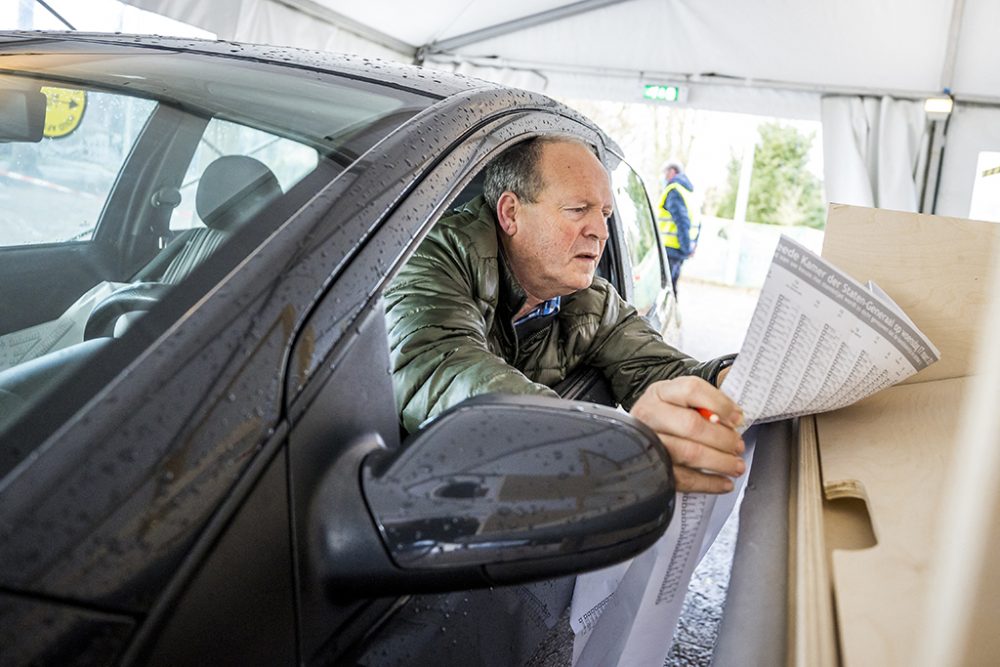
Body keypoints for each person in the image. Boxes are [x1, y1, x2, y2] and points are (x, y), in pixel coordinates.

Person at [385, 136, 743, 494]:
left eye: (604, 214)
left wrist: (733, 382)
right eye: (577, 210)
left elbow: (662, 372)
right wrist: (605, 444)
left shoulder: (592, 302)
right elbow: (442, 369)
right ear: (511, 213)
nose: (601, 232)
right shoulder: (430, 259)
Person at [657, 160, 700, 295]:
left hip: (671, 249)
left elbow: (682, 222)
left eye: (665, 173)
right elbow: (698, 222)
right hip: (680, 249)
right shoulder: (688, 192)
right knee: (671, 287)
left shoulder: (674, 191)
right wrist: (691, 246)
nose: (664, 177)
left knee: (665, 290)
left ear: (672, 172)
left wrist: (687, 248)